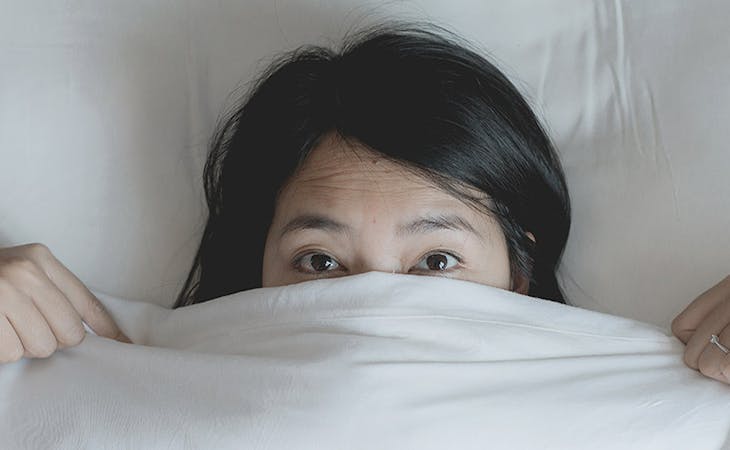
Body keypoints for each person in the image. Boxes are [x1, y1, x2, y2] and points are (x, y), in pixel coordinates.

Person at [0, 22, 727, 386]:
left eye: (436, 260)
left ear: (519, 267)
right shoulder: (114, 390)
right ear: (257, 269)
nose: (373, 308)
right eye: (318, 261)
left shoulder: (646, 408)